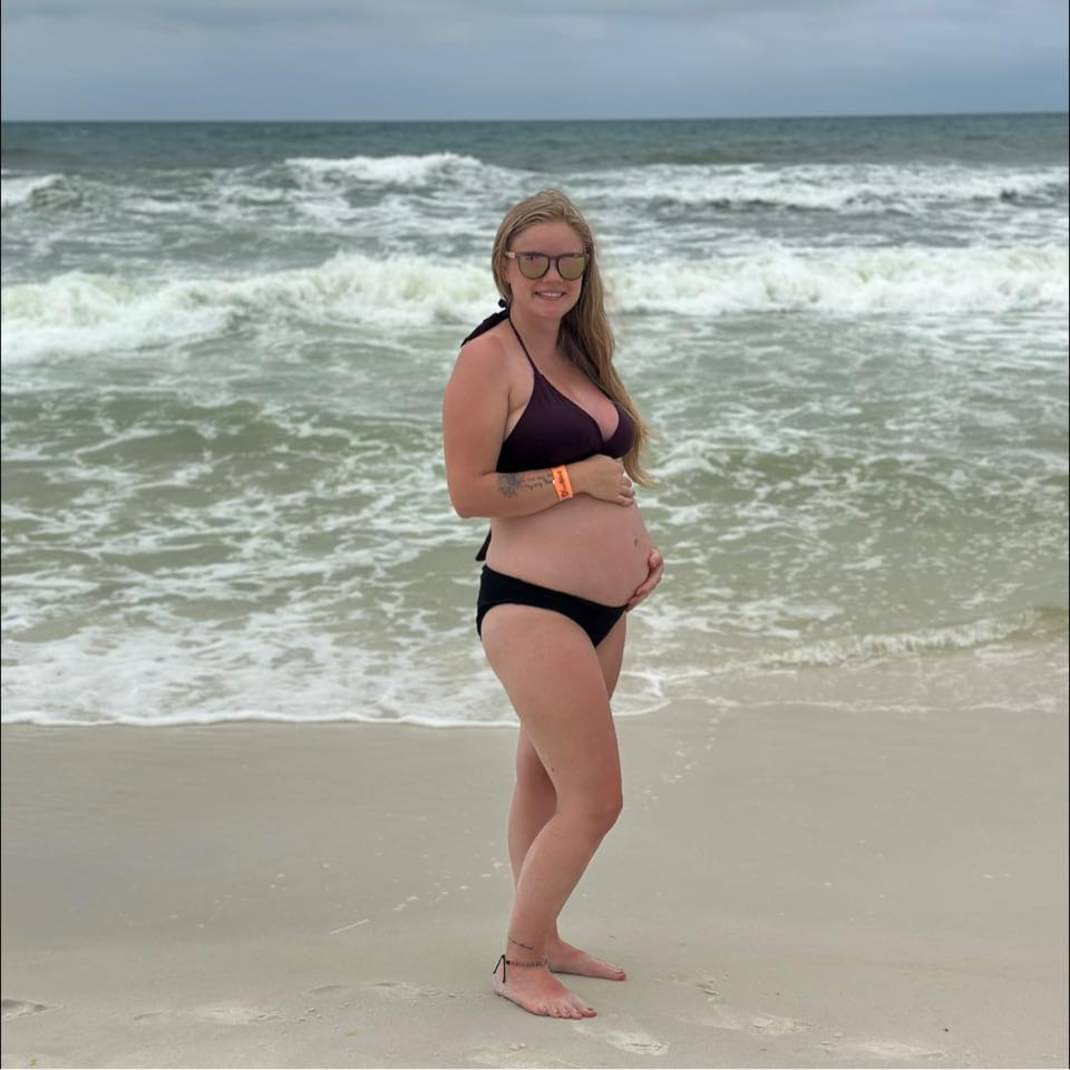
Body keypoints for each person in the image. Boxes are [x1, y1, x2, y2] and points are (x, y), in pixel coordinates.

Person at [441, 189, 665, 1020]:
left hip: (604, 611)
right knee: (596, 800)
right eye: (533, 257)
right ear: (504, 264)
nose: (552, 273)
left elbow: (609, 477)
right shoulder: (488, 358)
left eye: (569, 259)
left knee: (542, 776)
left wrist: (635, 553)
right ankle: (521, 961)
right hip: (533, 605)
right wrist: (577, 480)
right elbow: (468, 493)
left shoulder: (579, 348)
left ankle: (548, 933)